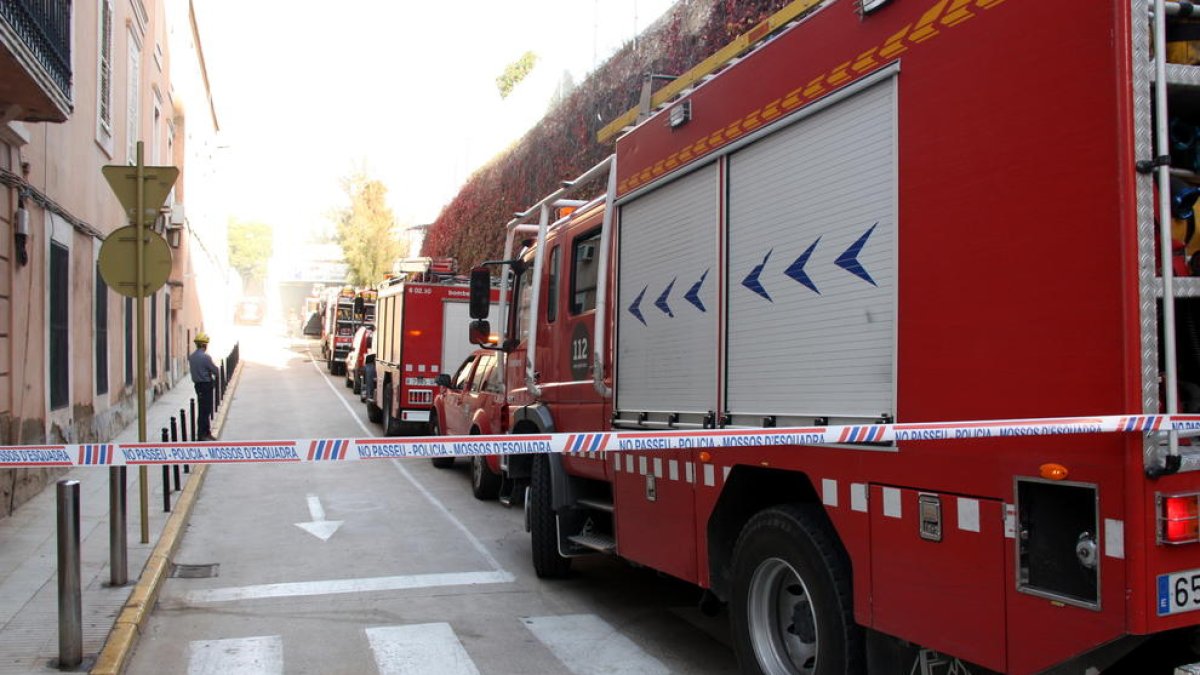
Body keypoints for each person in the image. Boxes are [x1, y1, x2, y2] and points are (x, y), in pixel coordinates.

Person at [189, 333, 220, 441]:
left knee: (203, 409)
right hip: (206, 386)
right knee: (205, 411)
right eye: (206, 344)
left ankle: (206, 433)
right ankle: (202, 434)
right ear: (203, 345)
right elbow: (215, 370)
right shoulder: (205, 357)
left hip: (198, 386)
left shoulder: (192, 357)